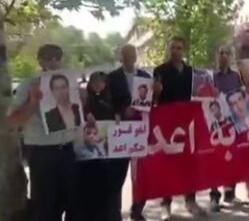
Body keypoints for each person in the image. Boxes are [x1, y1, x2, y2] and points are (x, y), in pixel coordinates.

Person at [7, 44, 78, 221]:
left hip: (67, 151)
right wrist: (32, 101)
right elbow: (13, 121)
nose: (53, 62)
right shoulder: (28, 84)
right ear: (40, 60)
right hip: (43, 154)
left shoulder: (69, 83)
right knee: (45, 207)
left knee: (73, 204)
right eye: (48, 58)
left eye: (57, 57)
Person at [152, 36, 207, 219]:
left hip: (188, 124)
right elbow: (153, 101)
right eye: (173, 48)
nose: (176, 51)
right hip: (167, 125)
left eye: (179, 48)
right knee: (167, 164)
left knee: (189, 163)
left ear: (184, 51)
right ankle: (165, 205)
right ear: (169, 50)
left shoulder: (192, 72)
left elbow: (199, 97)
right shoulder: (160, 71)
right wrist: (156, 93)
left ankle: (190, 201)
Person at [107, 45, 152, 221]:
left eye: (132, 55)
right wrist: (119, 111)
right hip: (120, 131)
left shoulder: (145, 77)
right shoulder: (112, 78)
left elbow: (152, 103)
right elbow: (106, 103)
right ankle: (114, 212)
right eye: (126, 55)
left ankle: (137, 210)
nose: (130, 58)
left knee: (140, 175)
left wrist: (156, 92)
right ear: (121, 57)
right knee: (117, 174)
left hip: (140, 131)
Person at [77, 71, 116, 220]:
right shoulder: (85, 99)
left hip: (104, 151)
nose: (98, 85)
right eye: (95, 82)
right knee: (87, 186)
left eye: (101, 82)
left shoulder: (110, 98)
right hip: (86, 155)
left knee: (104, 185)